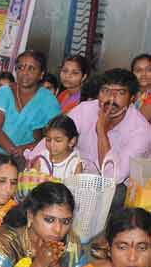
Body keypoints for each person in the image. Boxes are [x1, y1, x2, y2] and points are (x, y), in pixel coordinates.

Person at [26, 68, 151, 198]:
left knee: (115, 192)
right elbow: (55, 135)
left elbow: (112, 177)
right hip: (76, 176)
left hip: (116, 188)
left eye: (120, 92)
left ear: (132, 98)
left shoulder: (141, 131)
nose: (111, 98)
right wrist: (32, 167)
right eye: (105, 91)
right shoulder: (85, 109)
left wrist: (101, 130)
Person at [0, 50, 61, 156]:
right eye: (20, 68)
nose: (24, 72)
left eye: (31, 68)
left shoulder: (48, 100)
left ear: (41, 75)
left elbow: (55, 135)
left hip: (28, 155)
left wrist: (25, 150)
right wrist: (14, 152)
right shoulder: (4, 92)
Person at [30, 114, 84, 181]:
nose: (52, 145)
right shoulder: (41, 160)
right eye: (48, 140)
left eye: (58, 140)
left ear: (71, 141)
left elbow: (75, 190)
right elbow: (32, 184)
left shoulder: (75, 164)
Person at [132, 53, 151, 122]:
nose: (143, 74)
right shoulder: (132, 91)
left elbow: (137, 123)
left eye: (149, 70)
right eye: (138, 70)